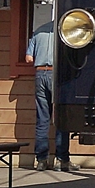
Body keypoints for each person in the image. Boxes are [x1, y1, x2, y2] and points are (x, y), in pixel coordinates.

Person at [25, 22, 77, 171]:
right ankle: (62, 160)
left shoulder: (38, 31)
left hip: (40, 73)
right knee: (61, 118)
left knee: (42, 119)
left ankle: (41, 160)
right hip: (58, 74)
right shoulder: (66, 31)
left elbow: (29, 58)